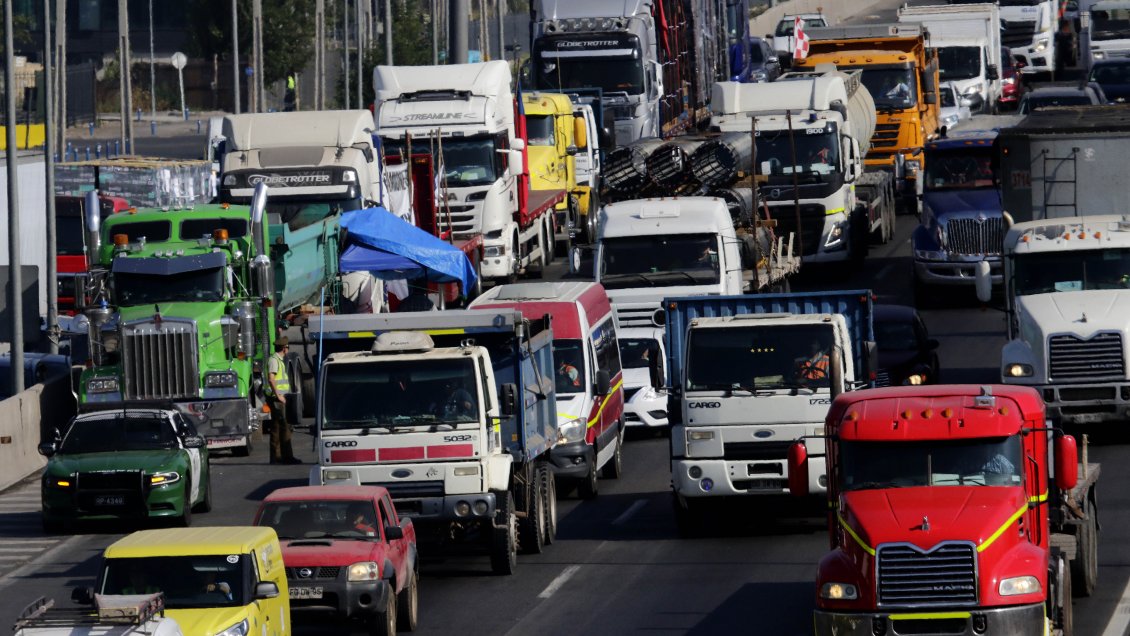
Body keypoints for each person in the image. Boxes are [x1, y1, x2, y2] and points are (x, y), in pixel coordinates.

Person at [267, 336, 300, 464]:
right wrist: (279, 396)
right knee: (283, 426)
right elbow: (271, 379)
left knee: (280, 427)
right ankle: (284, 457)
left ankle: (279, 457)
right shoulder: (274, 360)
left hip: (280, 397)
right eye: (287, 347)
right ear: (284, 348)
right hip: (277, 398)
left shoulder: (278, 360)